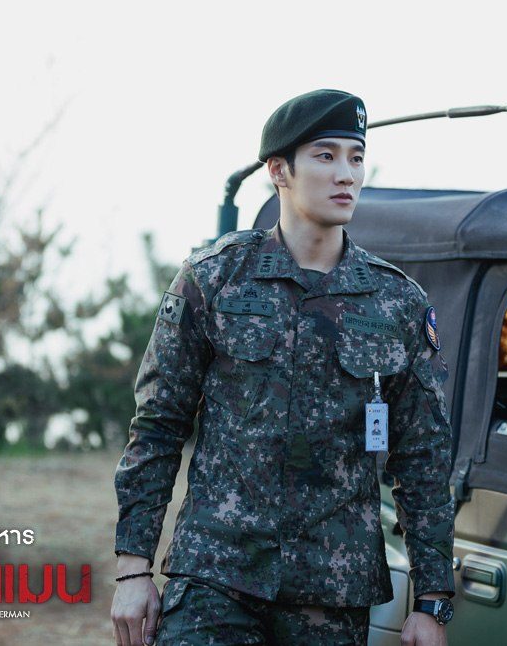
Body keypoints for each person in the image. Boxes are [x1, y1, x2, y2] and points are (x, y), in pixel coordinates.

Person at [111, 90, 455, 645]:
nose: (346, 174)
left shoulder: (397, 303)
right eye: (325, 156)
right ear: (279, 171)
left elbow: (423, 459)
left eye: (356, 158)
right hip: (215, 575)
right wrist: (133, 569)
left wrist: (432, 601)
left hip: (331, 592)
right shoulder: (215, 278)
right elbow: (157, 426)